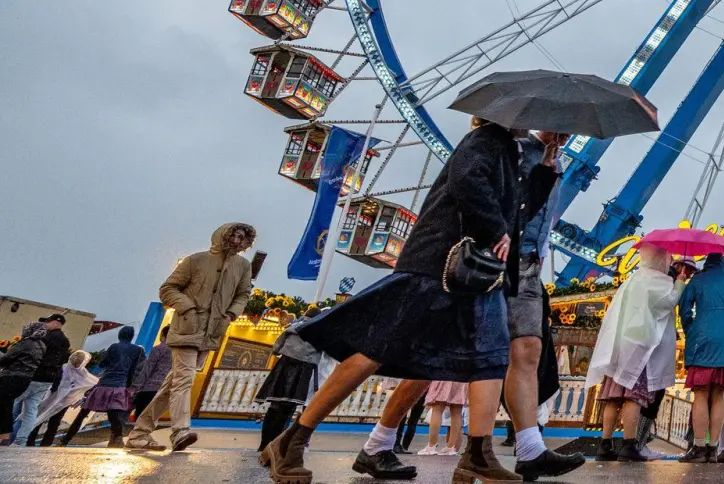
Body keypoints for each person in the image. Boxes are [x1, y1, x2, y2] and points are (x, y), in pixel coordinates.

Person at [261, 118, 525, 484]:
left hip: (478, 274)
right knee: (375, 349)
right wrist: (495, 228)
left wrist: (544, 170)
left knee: (489, 357)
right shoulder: (485, 139)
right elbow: (467, 181)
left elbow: (517, 216)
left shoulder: (511, 151)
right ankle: (292, 439)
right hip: (440, 265)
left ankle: (477, 453)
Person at [127, 222, 256, 453]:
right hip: (188, 328)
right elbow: (168, 289)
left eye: (241, 237)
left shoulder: (243, 266)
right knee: (184, 379)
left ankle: (140, 433)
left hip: (213, 330)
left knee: (173, 384)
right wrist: (187, 307)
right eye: (233, 235)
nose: (236, 241)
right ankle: (180, 431)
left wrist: (229, 314)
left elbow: (243, 293)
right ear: (223, 236)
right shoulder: (195, 260)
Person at [503, 131, 585, 480]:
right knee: (445, 359)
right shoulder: (520, 152)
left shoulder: (559, 160)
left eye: (570, 131)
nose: (566, 135)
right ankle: (379, 439)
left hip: (531, 266)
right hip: (506, 261)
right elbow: (512, 204)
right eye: (561, 128)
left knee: (529, 350)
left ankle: (529, 448)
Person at [587, 244, 687, 462]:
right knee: (634, 397)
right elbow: (666, 303)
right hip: (639, 348)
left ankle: (605, 445)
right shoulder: (657, 280)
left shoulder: (633, 279)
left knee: (613, 397)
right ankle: (629, 444)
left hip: (619, 345)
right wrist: (679, 283)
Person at [677, 251, 724, 463]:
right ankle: (714, 448)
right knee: (719, 394)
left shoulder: (697, 280)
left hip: (703, 337)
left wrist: (691, 329)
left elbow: (684, 309)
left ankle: (698, 447)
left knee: (700, 394)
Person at [256, 308, 326, 451]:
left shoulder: (292, 328)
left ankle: (264, 444)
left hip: (284, 367)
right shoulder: (320, 333)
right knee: (288, 408)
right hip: (303, 371)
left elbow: (276, 347)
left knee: (275, 406)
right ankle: (275, 445)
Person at [64, 326, 142, 447]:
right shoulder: (137, 350)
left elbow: (102, 363)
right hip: (121, 385)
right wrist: (129, 386)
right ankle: (117, 438)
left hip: (105, 383)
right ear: (131, 336)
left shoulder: (114, 347)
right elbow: (134, 369)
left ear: (120, 335)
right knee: (114, 415)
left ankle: (65, 439)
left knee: (83, 413)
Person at [12, 313, 72, 447]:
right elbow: (62, 363)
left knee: (12, 404)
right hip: (47, 380)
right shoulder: (65, 341)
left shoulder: (44, 337)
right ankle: (20, 440)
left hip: (32, 376)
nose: (45, 325)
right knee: (31, 411)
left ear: (54, 323)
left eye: (47, 322)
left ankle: (5, 435)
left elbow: (33, 355)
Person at [26, 351, 96, 447]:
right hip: (64, 401)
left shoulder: (63, 368)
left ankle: (30, 442)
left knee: (41, 418)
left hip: (52, 398)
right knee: (54, 423)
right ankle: (45, 444)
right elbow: (89, 384)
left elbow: (55, 384)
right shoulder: (82, 373)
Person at [0, 323, 48, 442]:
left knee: (3, 406)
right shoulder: (42, 345)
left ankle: (4, 436)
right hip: (25, 380)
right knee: (7, 405)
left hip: (11, 378)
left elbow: (6, 359)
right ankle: (4, 437)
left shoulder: (24, 343)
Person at [130, 327, 171, 423]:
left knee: (140, 417)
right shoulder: (178, 352)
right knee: (152, 418)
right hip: (164, 388)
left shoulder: (158, 349)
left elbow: (147, 368)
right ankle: (144, 435)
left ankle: (136, 436)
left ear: (163, 335)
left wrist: (135, 386)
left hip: (149, 388)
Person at [419, 380, 468, 456]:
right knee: (457, 412)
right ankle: (450, 447)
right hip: (462, 379)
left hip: (444, 376)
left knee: (437, 409)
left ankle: (431, 446)